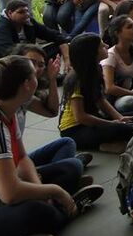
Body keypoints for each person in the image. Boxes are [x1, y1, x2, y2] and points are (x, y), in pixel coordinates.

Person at [0, 55, 104, 236]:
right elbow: (9, 194)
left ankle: (53, 209)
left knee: (71, 168)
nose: (40, 74)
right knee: (36, 212)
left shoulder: (5, 111)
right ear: (28, 85)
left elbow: (22, 158)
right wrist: (55, 191)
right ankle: (65, 209)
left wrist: (40, 190)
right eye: (34, 72)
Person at [10, 43, 92, 183]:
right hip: (3, 169)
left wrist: (52, 79)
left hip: (18, 160)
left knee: (67, 143)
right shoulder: (3, 103)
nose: (35, 69)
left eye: (41, 65)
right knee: (74, 166)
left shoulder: (23, 96)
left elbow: (52, 111)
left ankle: (57, 177)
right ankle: (59, 184)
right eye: (31, 62)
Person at [59, 34, 133, 153]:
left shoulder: (94, 70)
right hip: (74, 131)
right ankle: (105, 145)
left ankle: (110, 143)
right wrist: (111, 124)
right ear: (92, 53)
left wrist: (119, 117)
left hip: (93, 120)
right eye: (102, 46)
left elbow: (100, 100)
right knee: (127, 129)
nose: (107, 46)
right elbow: (80, 117)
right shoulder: (77, 80)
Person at [0, 0, 70, 64]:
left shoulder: (29, 22)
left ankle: (42, 73)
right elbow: (11, 54)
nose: (26, 14)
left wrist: (66, 59)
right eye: (21, 12)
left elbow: (56, 36)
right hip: (2, 64)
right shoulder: (0, 30)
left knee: (56, 47)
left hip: (25, 58)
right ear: (10, 13)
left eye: (27, 11)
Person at [101, 15, 133, 118]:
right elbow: (109, 88)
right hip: (113, 99)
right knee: (129, 102)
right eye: (129, 27)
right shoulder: (111, 55)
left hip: (131, 91)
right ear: (117, 33)